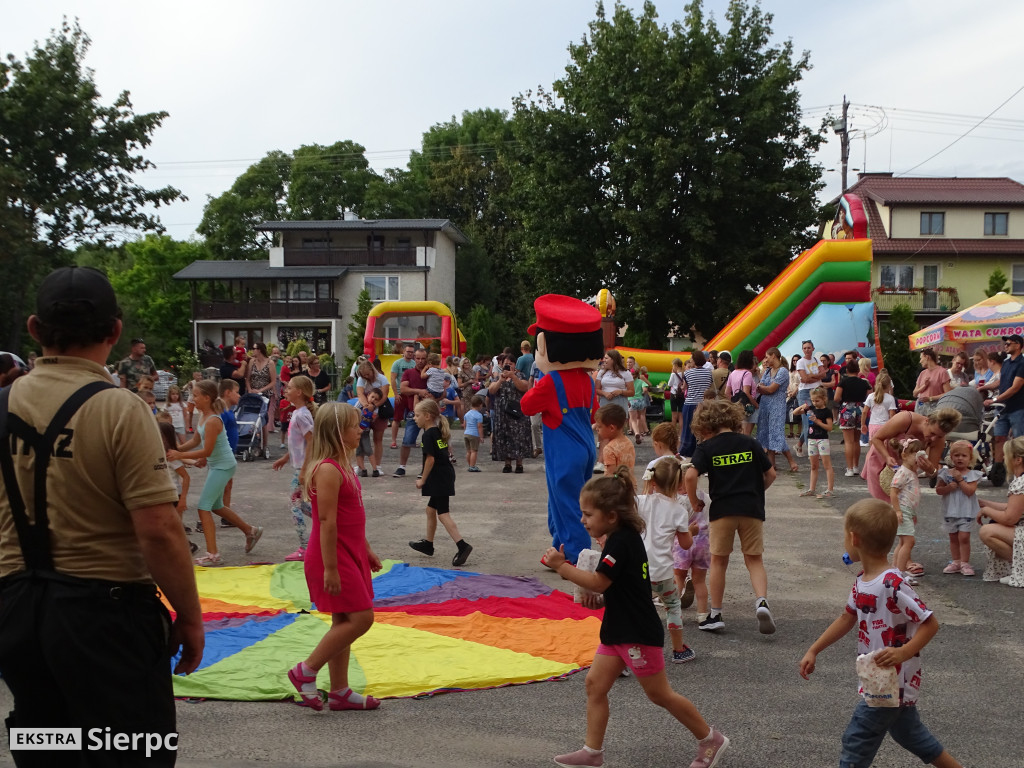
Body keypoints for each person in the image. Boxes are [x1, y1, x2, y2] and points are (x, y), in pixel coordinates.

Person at [0, 266, 202, 764]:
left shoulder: (2, 404)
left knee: (43, 739)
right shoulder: (120, 408)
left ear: (34, 329)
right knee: (132, 748)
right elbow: (158, 529)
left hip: (17, 609)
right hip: (103, 615)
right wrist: (191, 617)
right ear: (114, 332)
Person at [542, 468, 730, 768]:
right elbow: (623, 587)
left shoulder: (622, 542)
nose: (582, 520)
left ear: (611, 516)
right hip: (618, 630)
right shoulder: (619, 539)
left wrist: (561, 566)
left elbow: (599, 581)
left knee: (660, 694)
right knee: (595, 684)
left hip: (636, 632)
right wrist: (601, 601)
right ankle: (593, 752)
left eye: (588, 514)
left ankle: (710, 739)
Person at [799, 499, 964, 768]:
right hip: (880, 676)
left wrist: (904, 652)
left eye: (844, 535)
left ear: (854, 538)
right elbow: (846, 618)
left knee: (857, 739)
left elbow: (929, 622)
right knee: (911, 735)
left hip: (890, 682)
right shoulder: (863, 580)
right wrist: (814, 649)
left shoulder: (892, 583)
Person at [286, 403, 384, 712]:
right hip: (332, 554)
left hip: (349, 550)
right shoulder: (327, 469)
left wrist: (365, 548)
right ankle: (306, 671)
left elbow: (351, 515)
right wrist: (330, 568)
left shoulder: (344, 465)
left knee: (344, 618)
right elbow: (326, 522)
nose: (361, 430)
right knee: (361, 617)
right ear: (339, 433)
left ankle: (340, 691)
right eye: (355, 426)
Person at [685, 399, 777, 634]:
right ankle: (761, 601)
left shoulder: (707, 447)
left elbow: (689, 476)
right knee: (754, 559)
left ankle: (715, 613)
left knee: (719, 561)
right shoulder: (750, 443)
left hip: (723, 511)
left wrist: (695, 501)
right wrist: (757, 492)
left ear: (705, 424)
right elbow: (771, 474)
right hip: (751, 509)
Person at [168, 380, 263, 565]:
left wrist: (180, 453)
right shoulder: (203, 417)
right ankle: (251, 531)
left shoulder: (212, 420)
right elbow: (195, 441)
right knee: (216, 506)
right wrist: (175, 449)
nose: (192, 399)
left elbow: (207, 451)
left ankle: (213, 555)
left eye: (195, 396)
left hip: (223, 465)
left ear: (206, 397)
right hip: (218, 464)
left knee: (204, 507)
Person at [639, 456, 696, 663]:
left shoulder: (640, 501)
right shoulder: (678, 510)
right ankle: (678, 649)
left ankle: (630, 653)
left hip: (639, 570)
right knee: (672, 605)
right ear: (679, 483)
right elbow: (686, 544)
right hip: (663, 572)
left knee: (636, 610)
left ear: (652, 481)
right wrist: (690, 530)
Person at [407, 399, 473, 567]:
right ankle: (428, 544)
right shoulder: (436, 431)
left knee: (443, 513)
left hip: (439, 477)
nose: (415, 418)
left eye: (417, 415)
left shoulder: (428, 434)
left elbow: (430, 459)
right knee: (430, 510)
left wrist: (422, 479)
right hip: (444, 474)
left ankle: (462, 545)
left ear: (427, 416)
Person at [272, 376, 316, 562]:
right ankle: (328, 524)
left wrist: (305, 470)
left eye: (289, 388)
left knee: (295, 506)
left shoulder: (303, 415)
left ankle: (305, 547)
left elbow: (312, 442)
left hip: (303, 469)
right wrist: (286, 457)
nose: (286, 390)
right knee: (304, 505)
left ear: (299, 392)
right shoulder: (297, 413)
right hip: (300, 466)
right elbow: (298, 444)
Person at [978, 435, 1024, 586]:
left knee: (987, 531)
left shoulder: (1020, 483)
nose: (1004, 458)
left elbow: (1010, 518)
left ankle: (1020, 568)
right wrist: (985, 504)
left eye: (1007, 455)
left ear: (1018, 460)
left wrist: (987, 510)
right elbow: (1014, 508)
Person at [935, 440, 981, 577]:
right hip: (950, 510)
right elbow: (938, 490)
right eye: (956, 455)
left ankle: (965, 562)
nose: (960, 458)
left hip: (966, 511)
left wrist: (960, 481)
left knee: (964, 536)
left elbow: (970, 491)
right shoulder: (945, 473)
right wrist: (948, 488)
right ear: (951, 457)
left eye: (964, 456)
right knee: (953, 537)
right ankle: (956, 561)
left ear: (970, 458)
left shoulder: (972, 475)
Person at [984, 334, 1024, 481]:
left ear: (1018, 345)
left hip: (1017, 407)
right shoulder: (1006, 363)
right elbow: (1001, 382)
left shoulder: (1022, 364)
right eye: (1005, 344)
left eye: (1008, 344)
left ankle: (1020, 471)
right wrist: (983, 388)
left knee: (1019, 440)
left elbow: (1015, 387)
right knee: (999, 438)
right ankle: (998, 469)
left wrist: (995, 399)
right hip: (1002, 408)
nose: (1005, 346)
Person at [756, 346, 799, 472]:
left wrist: (763, 388)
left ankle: (792, 462)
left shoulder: (783, 371)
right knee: (766, 433)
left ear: (773, 356)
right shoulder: (768, 371)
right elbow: (762, 386)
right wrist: (763, 388)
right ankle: (771, 464)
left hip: (776, 406)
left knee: (776, 434)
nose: (766, 359)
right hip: (765, 405)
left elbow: (770, 389)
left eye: (767, 357)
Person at [889, 438, 925, 585]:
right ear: (904, 456)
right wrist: (898, 510)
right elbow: (893, 491)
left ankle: (895, 571)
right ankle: (901, 573)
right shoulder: (903, 472)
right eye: (915, 454)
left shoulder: (911, 471)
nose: (918, 458)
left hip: (907, 510)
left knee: (903, 541)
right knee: (909, 541)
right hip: (902, 510)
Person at [488, 354, 531, 473]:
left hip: (517, 413)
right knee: (505, 436)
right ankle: (507, 463)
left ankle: (519, 463)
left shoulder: (520, 375)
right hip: (502, 413)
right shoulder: (497, 377)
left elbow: (524, 387)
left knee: (518, 437)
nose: (507, 366)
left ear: (514, 365)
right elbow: (491, 390)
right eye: (505, 364)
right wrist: (501, 380)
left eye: (510, 364)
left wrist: (512, 376)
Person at [793, 387, 835, 499]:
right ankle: (812, 488)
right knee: (813, 465)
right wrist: (802, 406)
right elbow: (795, 413)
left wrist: (817, 422)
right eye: (813, 400)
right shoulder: (811, 409)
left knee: (827, 465)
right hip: (811, 439)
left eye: (817, 401)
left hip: (822, 439)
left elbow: (830, 427)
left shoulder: (827, 412)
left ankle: (830, 489)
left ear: (824, 399)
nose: (815, 403)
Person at [354, 361, 390, 477]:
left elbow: (384, 395)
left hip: (379, 410)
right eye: (364, 375)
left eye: (368, 374)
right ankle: (361, 466)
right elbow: (360, 394)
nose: (366, 377)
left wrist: (374, 406)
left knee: (377, 439)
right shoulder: (361, 379)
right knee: (361, 439)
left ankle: (377, 466)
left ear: (372, 370)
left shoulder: (382, 379)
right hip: (365, 410)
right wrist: (366, 407)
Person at [835, 360, 870, 477]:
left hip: (847, 409)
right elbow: (870, 396)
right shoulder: (864, 383)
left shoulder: (843, 382)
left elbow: (836, 398)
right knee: (856, 440)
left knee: (848, 441)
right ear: (858, 370)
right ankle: (856, 467)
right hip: (860, 409)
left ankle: (849, 469)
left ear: (847, 370)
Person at [679, 350, 712, 458]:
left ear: (695, 360)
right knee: (702, 427)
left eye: (692, 359)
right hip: (703, 403)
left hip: (690, 402)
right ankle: (702, 449)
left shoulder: (688, 373)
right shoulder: (709, 372)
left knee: (688, 428)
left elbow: (685, 387)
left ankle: (686, 450)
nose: (690, 360)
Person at [246, 341, 277, 447]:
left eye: (254, 348)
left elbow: (273, 381)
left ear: (259, 350)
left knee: (263, 417)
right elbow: (248, 378)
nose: (253, 350)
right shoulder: (252, 362)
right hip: (252, 392)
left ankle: (265, 444)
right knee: (252, 417)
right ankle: (254, 441)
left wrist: (261, 390)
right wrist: (250, 389)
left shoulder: (270, 363)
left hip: (265, 393)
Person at [794, 339, 822, 456]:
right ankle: (812, 452)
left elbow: (823, 374)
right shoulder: (801, 362)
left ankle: (799, 444)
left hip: (816, 391)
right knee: (808, 421)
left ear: (813, 349)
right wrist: (816, 377)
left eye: (809, 347)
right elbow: (804, 379)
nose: (807, 350)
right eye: (804, 348)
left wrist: (811, 376)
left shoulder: (816, 360)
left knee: (815, 420)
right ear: (802, 350)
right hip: (805, 392)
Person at [390, 343, 418, 449]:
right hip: (400, 394)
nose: (410, 354)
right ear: (403, 352)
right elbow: (393, 379)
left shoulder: (414, 364)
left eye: (412, 352)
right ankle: (393, 441)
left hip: (411, 394)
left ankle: (411, 440)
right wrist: (396, 394)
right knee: (397, 418)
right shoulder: (397, 363)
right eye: (408, 351)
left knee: (413, 417)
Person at [725, 350, 758, 436]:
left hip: (736, 405)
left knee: (738, 432)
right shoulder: (747, 374)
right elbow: (746, 391)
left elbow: (727, 392)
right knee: (746, 434)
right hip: (747, 406)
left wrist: (733, 404)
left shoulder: (733, 373)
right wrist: (755, 404)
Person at [595, 403, 634, 474]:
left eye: (599, 426)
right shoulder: (629, 443)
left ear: (611, 428)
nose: (596, 429)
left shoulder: (609, 449)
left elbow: (611, 477)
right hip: (630, 483)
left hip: (615, 485)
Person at [354, 388, 384, 477]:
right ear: (368, 396)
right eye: (372, 397)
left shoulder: (375, 408)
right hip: (356, 430)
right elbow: (353, 412)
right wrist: (364, 408)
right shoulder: (360, 403)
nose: (373, 400)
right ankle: (363, 469)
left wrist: (370, 411)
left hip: (365, 431)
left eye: (376, 399)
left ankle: (375, 469)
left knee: (368, 449)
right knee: (358, 451)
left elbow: (373, 419)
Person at [913, 348, 950, 416]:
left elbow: (948, 393)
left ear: (927, 357)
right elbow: (914, 394)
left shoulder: (942, 372)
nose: (920, 361)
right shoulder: (922, 373)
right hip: (920, 409)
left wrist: (930, 398)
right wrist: (924, 385)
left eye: (921, 358)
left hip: (935, 409)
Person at [628, 366, 651, 444]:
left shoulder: (628, 382)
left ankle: (637, 433)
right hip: (640, 401)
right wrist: (642, 393)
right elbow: (645, 389)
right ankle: (641, 433)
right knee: (640, 417)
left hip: (631, 401)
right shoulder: (641, 381)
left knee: (633, 419)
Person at [464, 395, 485, 472]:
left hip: (467, 433)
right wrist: (481, 436)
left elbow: (465, 424)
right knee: (474, 451)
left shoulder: (467, 414)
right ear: (480, 405)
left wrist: (465, 431)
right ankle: (472, 466)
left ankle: (470, 465)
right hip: (474, 434)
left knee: (468, 451)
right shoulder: (479, 415)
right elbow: (479, 426)